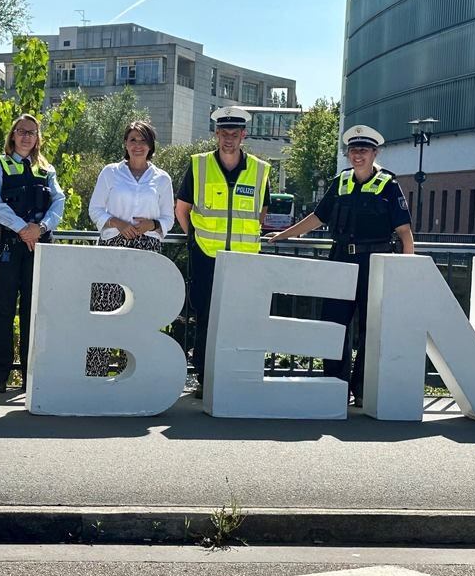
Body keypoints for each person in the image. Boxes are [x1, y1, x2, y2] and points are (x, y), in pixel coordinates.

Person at [266, 124, 414, 406]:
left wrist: (407, 273)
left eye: (364, 151)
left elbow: (405, 232)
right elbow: (317, 218)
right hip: (342, 261)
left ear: (374, 153)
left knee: (371, 329)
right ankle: (335, 385)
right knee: (333, 325)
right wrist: (283, 235)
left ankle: (362, 389)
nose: (358, 155)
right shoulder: (341, 182)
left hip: (375, 264)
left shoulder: (388, 185)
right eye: (353, 150)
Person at [174, 107, 270, 398]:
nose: (229, 139)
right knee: (206, 316)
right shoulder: (200, 165)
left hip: (243, 258)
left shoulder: (260, 169)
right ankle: (205, 375)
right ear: (216, 134)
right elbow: (182, 209)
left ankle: (233, 372)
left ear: (243, 135)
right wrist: (195, 238)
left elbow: (262, 212)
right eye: (224, 133)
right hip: (206, 254)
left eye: (234, 134)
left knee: (239, 316)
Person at [0, 114, 65, 392]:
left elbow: (58, 203)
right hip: (7, 246)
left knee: (35, 312)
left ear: (37, 138)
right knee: (2, 311)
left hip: (38, 246)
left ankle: (32, 375)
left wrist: (39, 229)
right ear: (13, 136)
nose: (26, 136)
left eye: (31, 132)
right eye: (21, 131)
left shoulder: (46, 170)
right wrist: (22, 229)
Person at [86, 120, 175, 377]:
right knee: (104, 310)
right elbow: (95, 209)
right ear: (125, 144)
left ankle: (134, 377)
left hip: (147, 249)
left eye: (143, 140)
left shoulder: (161, 179)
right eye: (133, 140)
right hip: (113, 245)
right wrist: (116, 222)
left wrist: (152, 224)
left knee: (141, 315)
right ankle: (95, 376)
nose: (138, 145)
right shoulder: (110, 173)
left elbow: (168, 219)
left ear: (151, 146)